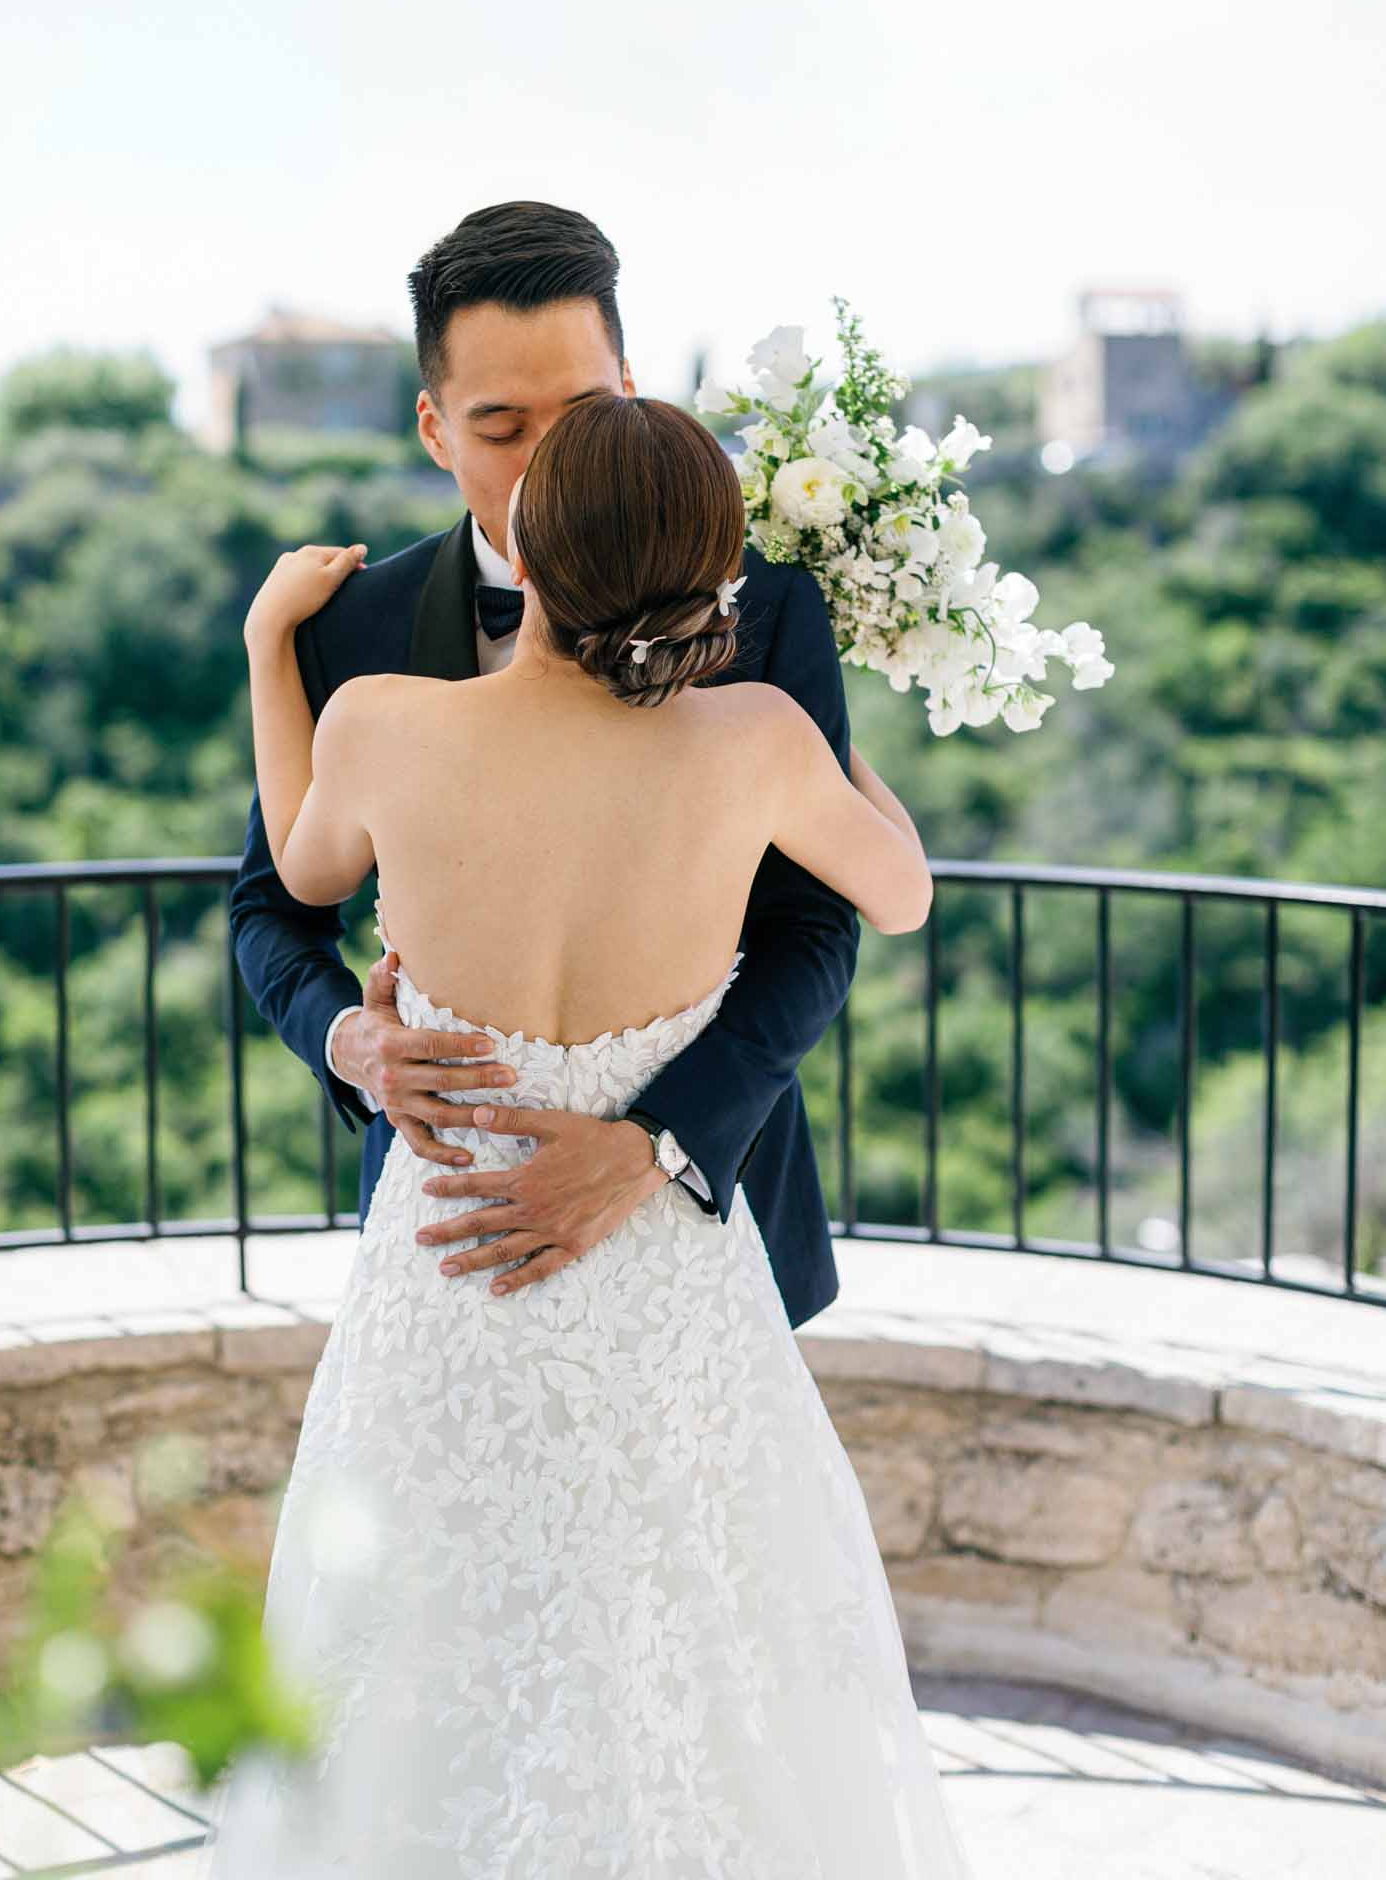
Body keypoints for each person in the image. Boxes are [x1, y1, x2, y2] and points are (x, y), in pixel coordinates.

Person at [199, 383, 976, 1876]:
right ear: (715, 580)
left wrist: (263, 644)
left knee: (424, 1638)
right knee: (686, 1635)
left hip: (448, 1264)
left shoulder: (377, 723)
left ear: (528, 558)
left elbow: (295, 859)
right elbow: (898, 891)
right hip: (662, 1278)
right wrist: (834, 746)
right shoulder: (753, 741)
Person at [228, 199, 859, 1335]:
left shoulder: (761, 607)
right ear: (433, 429)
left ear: (634, 386)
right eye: (502, 425)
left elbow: (817, 928)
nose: (548, 466)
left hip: (713, 1220)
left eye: (585, 413)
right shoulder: (348, 629)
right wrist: (351, 1041)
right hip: (443, 1232)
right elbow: (275, 903)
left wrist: (652, 1146)